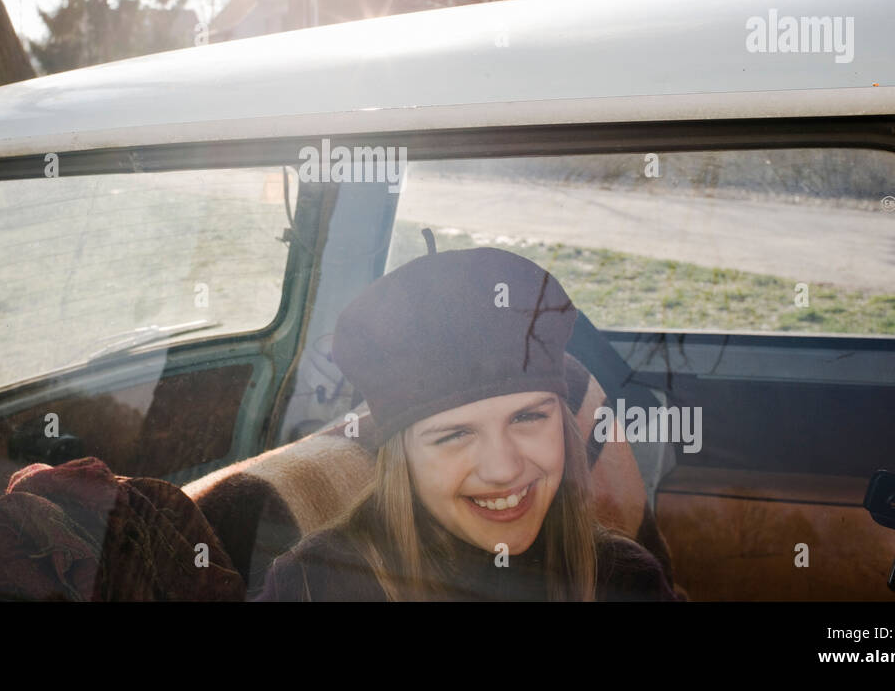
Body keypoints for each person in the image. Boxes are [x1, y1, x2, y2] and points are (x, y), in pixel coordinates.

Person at [255, 244, 678, 602]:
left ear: (564, 423)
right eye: (455, 434)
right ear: (402, 458)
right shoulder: (313, 585)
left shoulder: (625, 581)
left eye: (528, 417)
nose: (504, 469)